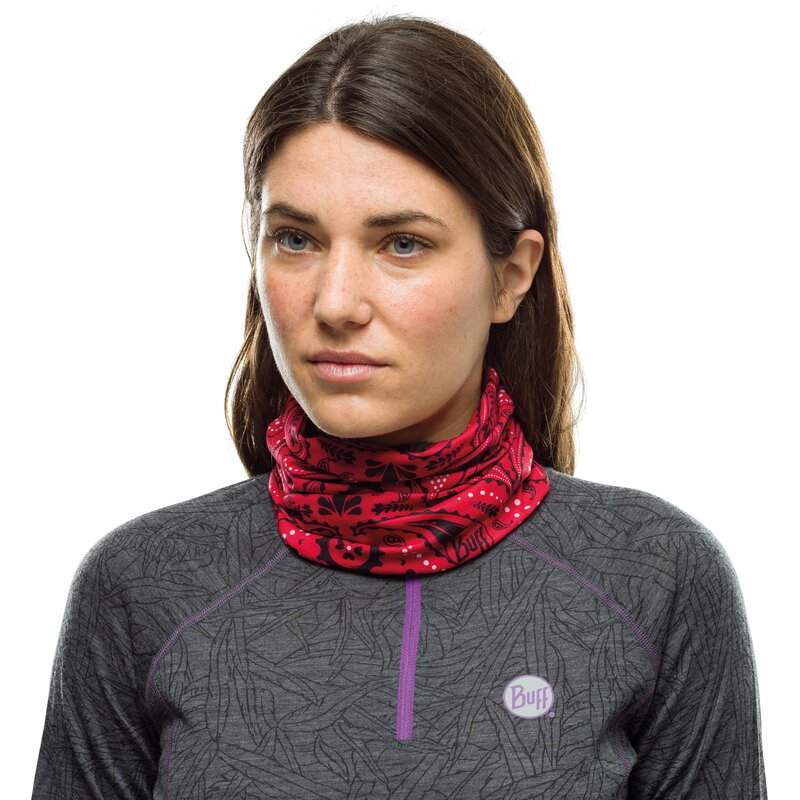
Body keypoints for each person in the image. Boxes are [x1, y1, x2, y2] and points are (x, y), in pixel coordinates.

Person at [32, 13, 767, 799]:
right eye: (296, 239)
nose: (336, 303)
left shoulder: (655, 577)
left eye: (402, 244)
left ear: (512, 275)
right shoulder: (143, 585)